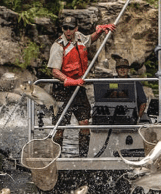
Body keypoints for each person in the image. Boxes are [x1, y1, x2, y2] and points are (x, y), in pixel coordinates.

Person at [47, 15, 116, 156]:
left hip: (78, 88)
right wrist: (69, 80)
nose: (68, 31)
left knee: (84, 122)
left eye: (71, 28)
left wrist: (100, 32)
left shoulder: (79, 37)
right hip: (63, 89)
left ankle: (83, 157)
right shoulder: (58, 45)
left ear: (76, 28)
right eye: (65, 28)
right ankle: (57, 158)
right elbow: (54, 71)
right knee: (60, 126)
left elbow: (90, 39)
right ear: (62, 29)